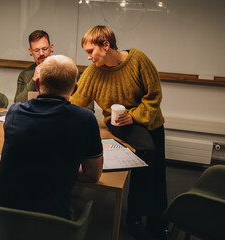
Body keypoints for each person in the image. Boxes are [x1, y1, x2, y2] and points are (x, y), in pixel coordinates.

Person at [70, 25, 168, 239]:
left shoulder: (138, 60)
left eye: (90, 51)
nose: (88, 57)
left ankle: (158, 222)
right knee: (146, 156)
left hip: (150, 120)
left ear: (106, 45)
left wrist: (135, 115)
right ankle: (134, 218)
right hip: (121, 123)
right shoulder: (94, 72)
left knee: (157, 173)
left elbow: (154, 95)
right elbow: (76, 102)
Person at [0, 55, 103, 219]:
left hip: (1, 221)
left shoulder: (14, 112)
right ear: (75, 89)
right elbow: (93, 175)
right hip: (50, 223)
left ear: (37, 84)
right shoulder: (85, 119)